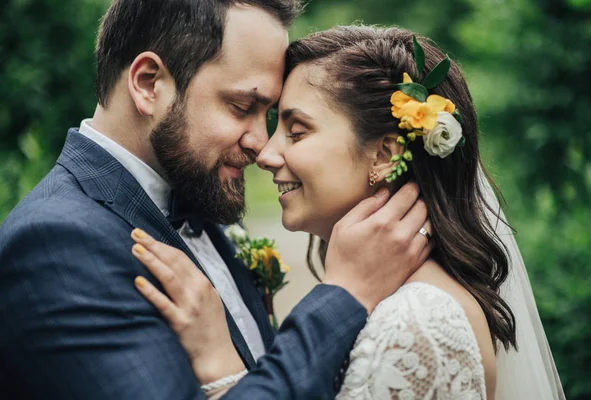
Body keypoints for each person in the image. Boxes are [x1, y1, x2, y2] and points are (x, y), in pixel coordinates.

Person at [0, 2, 432, 400]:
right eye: (242, 106)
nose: (261, 145)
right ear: (149, 83)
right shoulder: (57, 244)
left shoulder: (205, 202)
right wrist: (345, 294)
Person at [133, 26, 566, 399]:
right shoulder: (399, 301)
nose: (265, 153)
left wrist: (223, 368)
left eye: (296, 131)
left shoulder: (418, 322)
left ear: (384, 154)